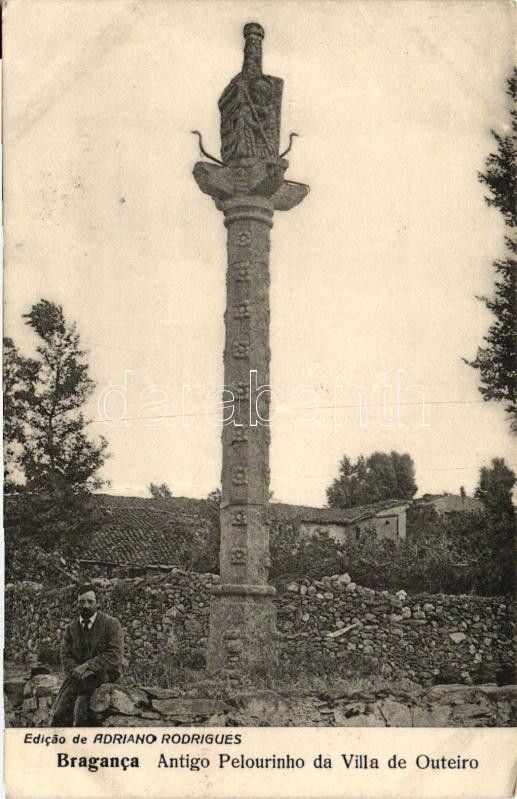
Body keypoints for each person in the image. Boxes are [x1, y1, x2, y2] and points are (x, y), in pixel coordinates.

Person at [51, 583, 124, 727]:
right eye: (82, 601)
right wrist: (77, 671)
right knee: (59, 715)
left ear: (97, 603)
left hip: (103, 676)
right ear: (77, 603)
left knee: (82, 715)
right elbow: (66, 657)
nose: (86, 605)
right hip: (77, 679)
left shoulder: (111, 624)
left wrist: (87, 666)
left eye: (90, 601)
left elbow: (115, 655)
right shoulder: (71, 629)